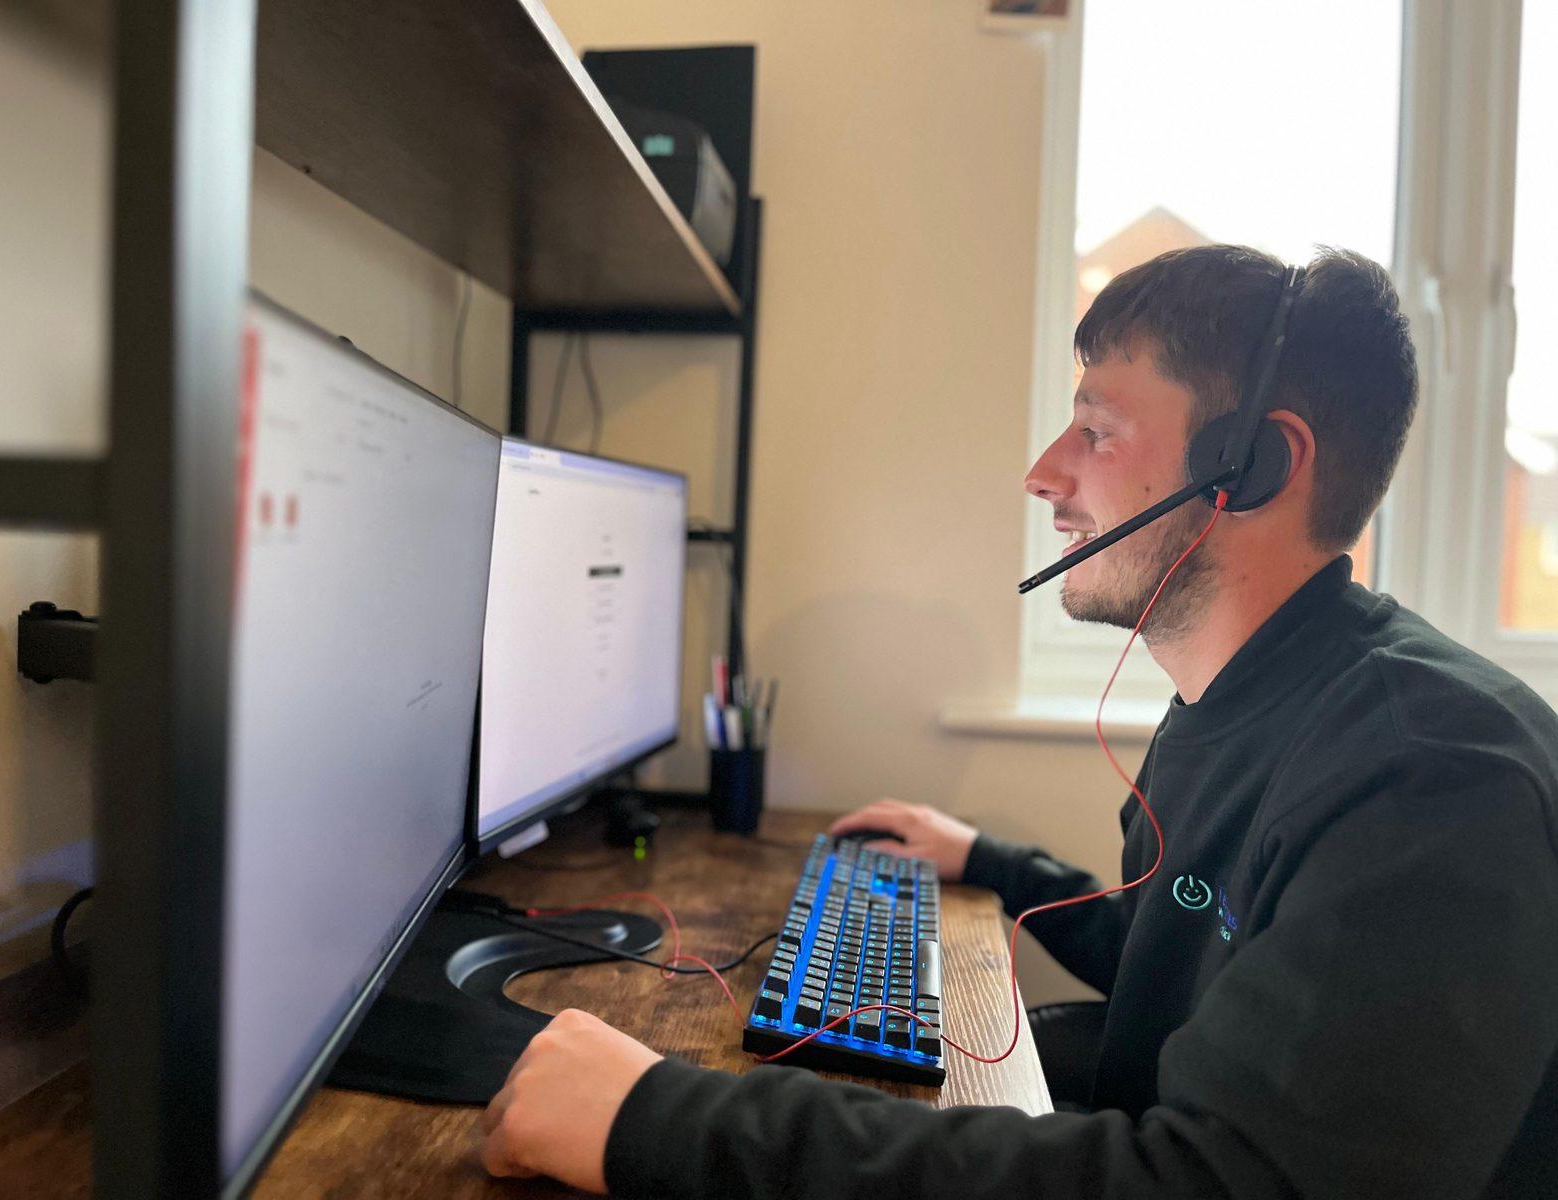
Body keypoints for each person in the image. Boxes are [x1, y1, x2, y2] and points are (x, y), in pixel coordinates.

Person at [475, 246, 1558, 1198]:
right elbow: (1174, 947)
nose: (1044, 473)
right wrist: (987, 859)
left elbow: (1222, 1184)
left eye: (1095, 430)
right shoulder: (1250, 698)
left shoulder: (1429, 781)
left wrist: (661, 1121)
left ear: (1254, 463)